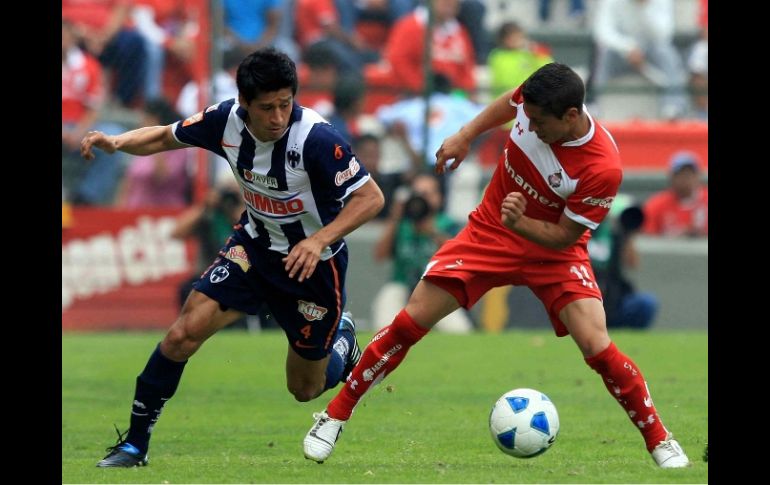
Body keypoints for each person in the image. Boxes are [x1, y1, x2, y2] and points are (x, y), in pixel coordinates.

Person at [302, 63, 690, 468]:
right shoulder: (536, 96)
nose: (530, 126)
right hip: (489, 233)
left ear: (571, 116)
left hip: (552, 252)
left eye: (540, 122)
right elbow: (508, 104)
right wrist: (465, 136)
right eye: (529, 116)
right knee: (410, 321)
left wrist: (520, 221)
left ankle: (660, 440)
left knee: (597, 345)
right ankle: (334, 416)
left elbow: (564, 237)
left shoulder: (602, 167)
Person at [80, 47, 385, 467]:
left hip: (312, 266)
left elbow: (371, 198)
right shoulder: (224, 121)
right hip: (254, 248)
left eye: (285, 104)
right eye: (267, 108)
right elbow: (165, 136)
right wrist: (116, 141)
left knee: (304, 389)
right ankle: (134, 445)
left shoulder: (317, 139)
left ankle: (343, 342)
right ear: (244, 104)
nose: (278, 117)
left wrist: (318, 240)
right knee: (182, 334)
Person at [372, 173, 473, 333]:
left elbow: (461, 257)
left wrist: (432, 232)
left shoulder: (447, 223)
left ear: (438, 197)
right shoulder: (402, 224)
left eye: (427, 194)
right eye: (417, 194)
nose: (422, 199)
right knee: (384, 323)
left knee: (458, 330)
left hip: (437, 288)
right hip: (401, 285)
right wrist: (395, 217)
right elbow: (379, 255)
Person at [589, 194, 658, 329]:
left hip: (614, 298)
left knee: (646, 303)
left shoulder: (618, 235)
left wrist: (628, 232)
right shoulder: (584, 230)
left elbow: (633, 263)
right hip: (587, 295)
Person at [642, 151, 708, 237]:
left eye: (690, 174)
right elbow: (647, 237)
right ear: (672, 177)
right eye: (681, 174)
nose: (685, 179)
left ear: (698, 176)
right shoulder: (656, 205)